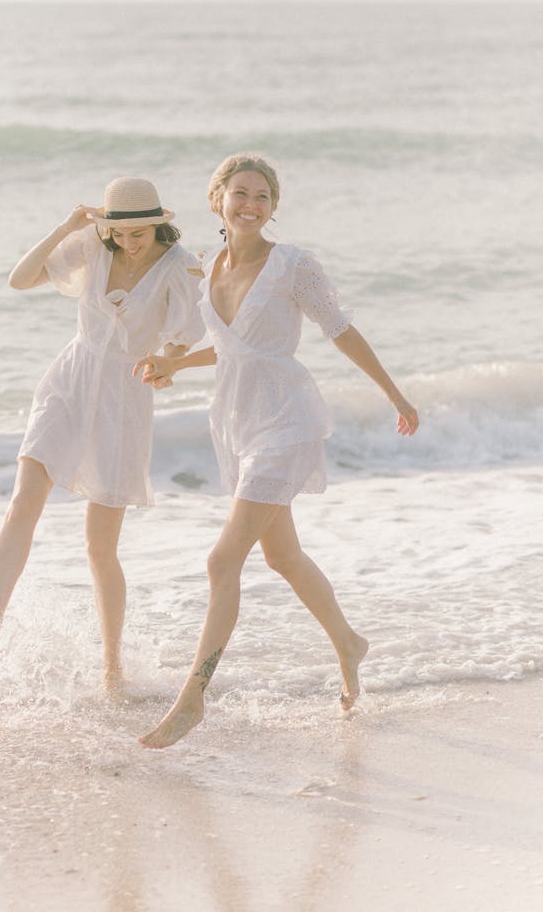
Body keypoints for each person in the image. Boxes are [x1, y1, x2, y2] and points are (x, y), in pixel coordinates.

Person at [133, 154, 419, 748]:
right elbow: (229, 347)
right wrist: (172, 363)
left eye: (263, 197)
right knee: (282, 558)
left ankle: (193, 698)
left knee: (221, 561)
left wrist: (394, 393)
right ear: (218, 199)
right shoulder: (210, 267)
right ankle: (348, 642)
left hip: (286, 421)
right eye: (240, 193)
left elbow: (339, 329)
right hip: (235, 423)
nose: (251, 205)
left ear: (273, 207)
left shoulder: (293, 265)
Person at [0, 177, 204, 691]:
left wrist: (166, 363)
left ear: (159, 224)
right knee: (23, 502)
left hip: (124, 398)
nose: (129, 242)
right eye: (119, 231)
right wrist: (67, 225)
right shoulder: (91, 245)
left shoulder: (180, 268)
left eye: (140, 232)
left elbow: (184, 338)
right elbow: (20, 280)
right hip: (70, 379)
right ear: (105, 226)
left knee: (99, 546)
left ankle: (112, 665)